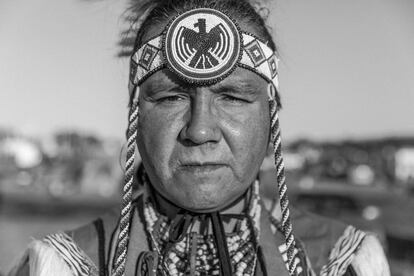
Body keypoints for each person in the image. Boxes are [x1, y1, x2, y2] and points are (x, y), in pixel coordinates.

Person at [9, 0, 390, 275]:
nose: (200, 129)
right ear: (135, 117)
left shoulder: (341, 261)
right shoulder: (63, 264)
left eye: (233, 97)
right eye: (171, 97)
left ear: (270, 113)